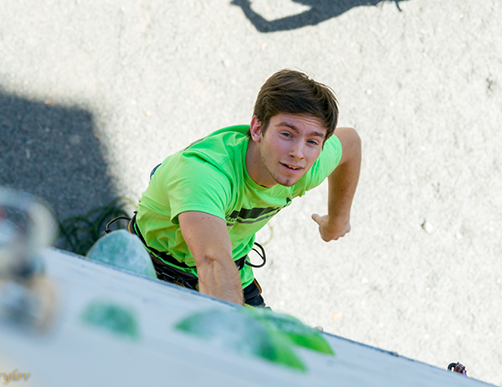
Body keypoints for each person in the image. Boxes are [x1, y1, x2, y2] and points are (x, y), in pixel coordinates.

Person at [131, 69, 361, 307]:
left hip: (232, 269)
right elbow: (212, 260)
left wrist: (337, 220)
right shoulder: (205, 173)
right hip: (151, 262)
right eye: (286, 134)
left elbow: (351, 143)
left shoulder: (305, 166)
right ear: (257, 129)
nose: (298, 153)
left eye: (312, 141)